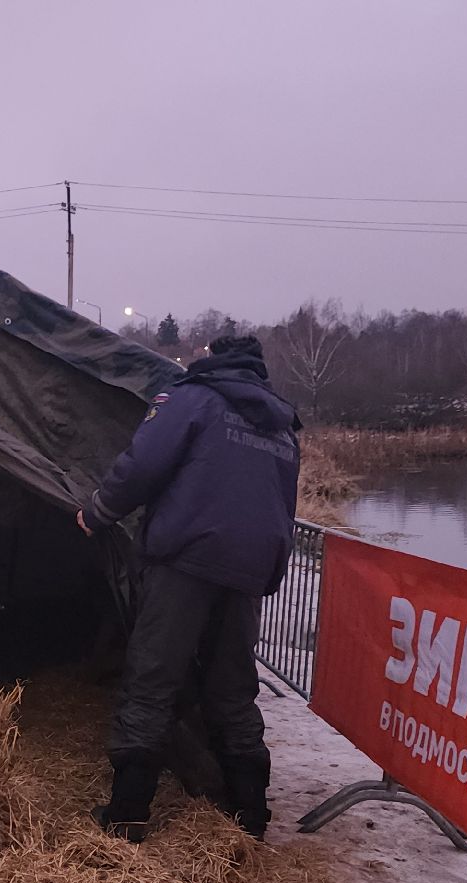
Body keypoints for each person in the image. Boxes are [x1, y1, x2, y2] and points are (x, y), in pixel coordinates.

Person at [76, 332, 302, 842]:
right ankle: (250, 817)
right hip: (247, 568)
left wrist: (97, 513)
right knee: (233, 689)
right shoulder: (281, 422)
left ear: (214, 360)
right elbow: (283, 502)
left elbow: (143, 464)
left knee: (152, 679)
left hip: (187, 557)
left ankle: (129, 814)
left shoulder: (192, 398)